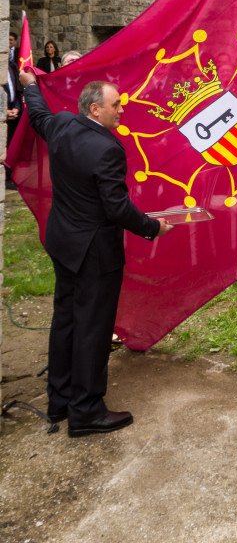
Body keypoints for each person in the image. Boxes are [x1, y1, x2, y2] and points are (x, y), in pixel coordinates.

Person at [19, 70, 173, 435]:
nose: (121, 110)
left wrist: (29, 88)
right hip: (94, 252)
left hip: (63, 242)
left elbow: (38, 115)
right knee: (92, 328)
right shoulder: (106, 148)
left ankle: (60, 401)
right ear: (94, 109)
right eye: (115, 105)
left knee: (67, 319)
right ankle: (86, 411)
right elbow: (116, 208)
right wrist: (154, 227)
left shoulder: (60, 125)